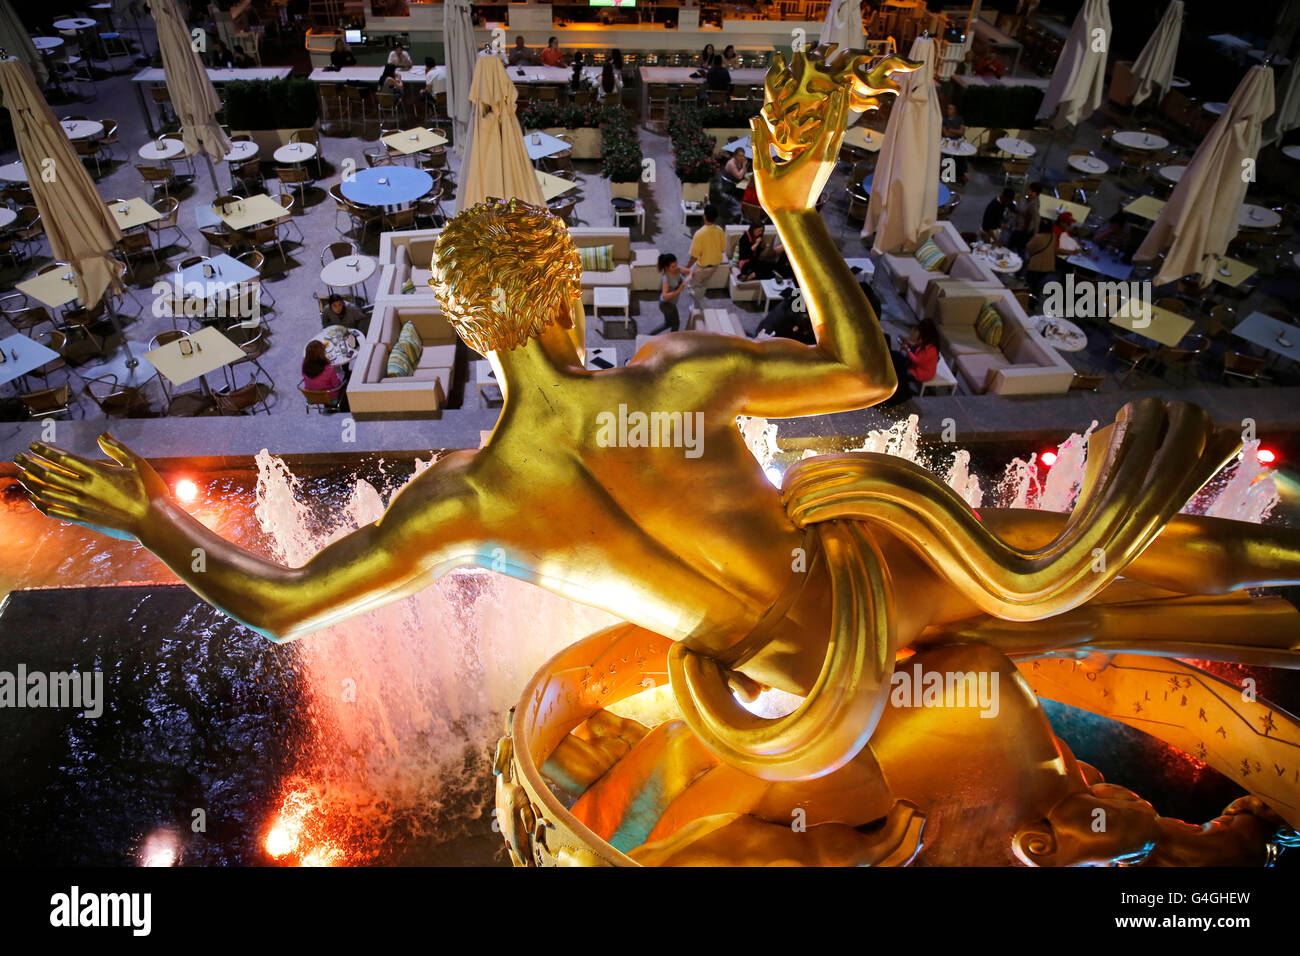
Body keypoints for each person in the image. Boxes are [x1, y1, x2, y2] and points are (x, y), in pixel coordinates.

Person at [21, 66, 1300, 870]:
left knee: (1031, 645)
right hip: (875, 571)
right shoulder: (678, 373)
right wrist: (795, 214)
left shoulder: (463, 500)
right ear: (570, 299)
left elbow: (285, 603)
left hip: (794, 683)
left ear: (463, 331)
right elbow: (865, 373)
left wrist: (153, 520)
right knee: (1133, 548)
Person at [883, 320, 939, 405]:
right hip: (917, 368)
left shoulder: (931, 349)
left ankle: (897, 389)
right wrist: (907, 343)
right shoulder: (927, 344)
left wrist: (908, 350)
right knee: (898, 360)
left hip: (922, 373)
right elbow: (917, 347)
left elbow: (918, 361)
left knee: (900, 371)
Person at [685, 204, 726, 306]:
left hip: (702, 267)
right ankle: (699, 300)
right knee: (703, 284)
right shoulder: (720, 231)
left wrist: (687, 268)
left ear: (704, 216)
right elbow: (722, 249)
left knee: (691, 286)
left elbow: (694, 256)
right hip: (715, 266)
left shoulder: (699, 234)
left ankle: (697, 304)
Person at [300, 340, 347, 410]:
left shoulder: (304, 364)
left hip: (311, 395)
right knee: (343, 373)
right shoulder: (329, 369)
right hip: (329, 396)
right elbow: (337, 385)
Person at [650, 253, 688, 334]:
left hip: (670, 303)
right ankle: (671, 342)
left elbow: (689, 271)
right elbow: (664, 296)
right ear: (666, 267)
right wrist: (679, 290)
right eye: (673, 266)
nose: (676, 268)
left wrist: (690, 276)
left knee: (667, 324)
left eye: (676, 265)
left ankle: (648, 335)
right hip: (667, 304)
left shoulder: (677, 269)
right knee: (676, 324)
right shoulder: (666, 279)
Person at [1024, 220, 1059, 296]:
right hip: (1048, 265)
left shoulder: (1038, 237)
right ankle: (1034, 299)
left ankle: (1028, 298)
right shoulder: (1053, 236)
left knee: (1031, 283)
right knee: (1038, 283)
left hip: (1036, 265)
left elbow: (1028, 247)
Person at [1010, 181, 1041, 255]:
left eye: (1031, 191)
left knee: (1017, 246)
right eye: (1029, 189)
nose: (1029, 192)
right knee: (1015, 244)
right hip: (1019, 225)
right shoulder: (1026, 198)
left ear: (1036, 193)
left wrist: (1035, 235)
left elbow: (1036, 219)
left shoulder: (1034, 204)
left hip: (1024, 230)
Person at [942, 103, 968, 182]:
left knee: (962, 155)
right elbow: (945, 133)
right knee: (947, 154)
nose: (948, 110)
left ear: (955, 110)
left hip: (957, 141)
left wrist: (951, 130)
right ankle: (947, 175)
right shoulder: (944, 119)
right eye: (948, 108)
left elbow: (962, 132)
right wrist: (956, 132)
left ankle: (961, 174)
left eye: (951, 108)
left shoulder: (959, 119)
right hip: (947, 141)